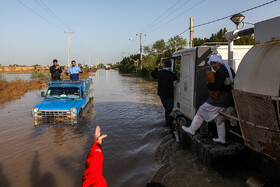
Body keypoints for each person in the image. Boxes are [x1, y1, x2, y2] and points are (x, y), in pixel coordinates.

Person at [182, 55, 235, 144]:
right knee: (219, 118)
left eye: (214, 63)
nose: (213, 65)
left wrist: (209, 84)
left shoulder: (220, 71)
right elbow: (231, 78)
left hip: (220, 98)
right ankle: (222, 138)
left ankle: (191, 129)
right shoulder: (228, 68)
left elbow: (216, 86)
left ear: (219, 62)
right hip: (228, 98)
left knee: (202, 109)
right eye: (211, 64)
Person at [151, 60, 178, 125]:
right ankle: (168, 123)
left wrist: (157, 68)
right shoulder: (172, 74)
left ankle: (167, 122)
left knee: (166, 108)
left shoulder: (159, 73)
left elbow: (152, 74)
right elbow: (177, 80)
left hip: (162, 94)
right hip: (169, 94)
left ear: (164, 65)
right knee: (169, 109)